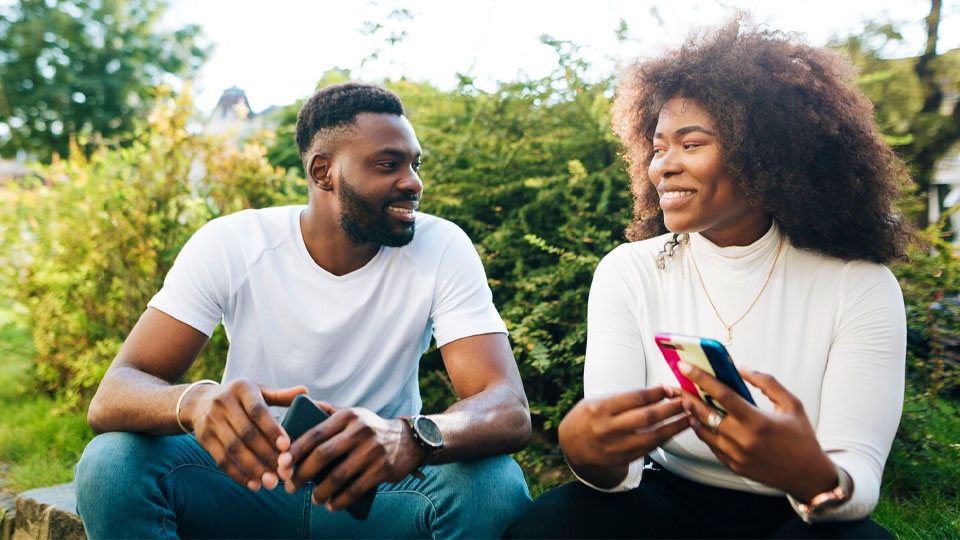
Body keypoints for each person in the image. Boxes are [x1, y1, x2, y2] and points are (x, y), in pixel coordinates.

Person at [507, 19, 909, 539]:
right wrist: (587, 453)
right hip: (668, 499)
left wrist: (806, 473)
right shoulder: (630, 271)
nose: (664, 167)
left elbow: (855, 477)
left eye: (690, 144)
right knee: (550, 526)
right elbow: (618, 474)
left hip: (801, 513)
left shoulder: (859, 286)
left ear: (768, 154)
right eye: (657, 148)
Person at [74, 82, 532, 539]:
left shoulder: (441, 245)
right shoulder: (233, 242)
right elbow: (113, 394)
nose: (414, 182)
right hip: (247, 479)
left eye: (415, 164)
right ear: (322, 172)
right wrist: (193, 402)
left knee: (494, 483)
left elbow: (508, 406)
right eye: (388, 165)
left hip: (378, 493)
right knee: (112, 462)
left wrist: (411, 435)